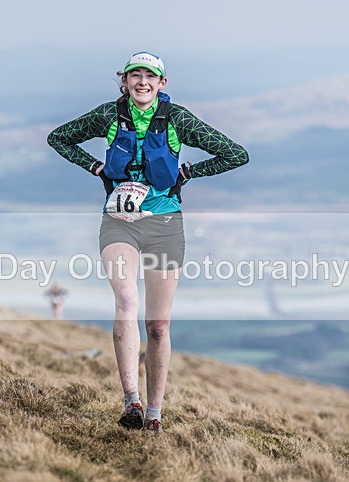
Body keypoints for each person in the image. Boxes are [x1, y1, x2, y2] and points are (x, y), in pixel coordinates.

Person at [47, 52, 248, 432]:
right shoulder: (108, 114)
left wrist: (187, 172)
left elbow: (236, 154)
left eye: (149, 76)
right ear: (124, 81)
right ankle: (131, 402)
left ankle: (155, 412)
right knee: (126, 301)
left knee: (157, 325)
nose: (142, 82)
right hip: (119, 222)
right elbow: (58, 138)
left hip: (164, 224)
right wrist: (96, 168)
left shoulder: (177, 118)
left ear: (162, 83)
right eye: (135, 75)